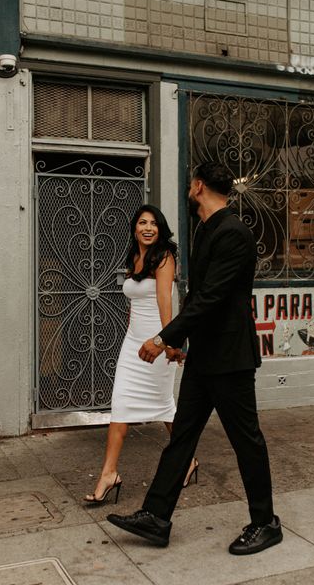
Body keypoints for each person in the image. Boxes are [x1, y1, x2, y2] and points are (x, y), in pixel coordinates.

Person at [107, 162, 282, 555]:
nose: (189, 190)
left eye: (191, 184)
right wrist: (180, 342)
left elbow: (210, 298)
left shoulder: (234, 233)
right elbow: (200, 298)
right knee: (182, 436)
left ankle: (265, 522)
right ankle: (156, 517)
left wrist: (163, 337)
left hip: (231, 359)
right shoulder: (206, 230)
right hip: (204, 356)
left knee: (246, 441)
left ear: (199, 186)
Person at [84, 204, 198, 505]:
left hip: (157, 344)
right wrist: (131, 330)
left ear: (160, 229)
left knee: (165, 408)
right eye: (142, 223)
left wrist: (169, 343)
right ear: (135, 228)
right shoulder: (134, 258)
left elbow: (164, 302)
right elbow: (134, 302)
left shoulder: (164, 258)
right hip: (132, 343)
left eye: (154, 224)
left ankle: (187, 461)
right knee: (120, 402)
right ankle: (109, 474)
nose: (148, 228)